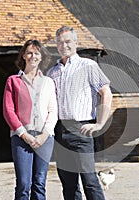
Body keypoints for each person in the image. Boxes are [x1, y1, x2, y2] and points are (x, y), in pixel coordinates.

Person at [47, 25, 112, 200]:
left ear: (75, 43)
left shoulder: (88, 65)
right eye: (60, 42)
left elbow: (105, 91)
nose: (64, 45)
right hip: (60, 131)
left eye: (68, 41)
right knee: (68, 183)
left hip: (81, 129)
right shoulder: (52, 72)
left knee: (89, 179)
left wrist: (100, 123)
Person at [3, 39, 58, 200]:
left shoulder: (48, 82)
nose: (33, 56)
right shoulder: (13, 81)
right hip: (21, 138)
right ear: (24, 56)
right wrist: (24, 134)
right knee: (23, 183)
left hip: (45, 138)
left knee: (40, 182)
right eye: (29, 52)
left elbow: (53, 110)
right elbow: (8, 111)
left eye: (37, 53)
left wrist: (45, 134)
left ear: (41, 57)